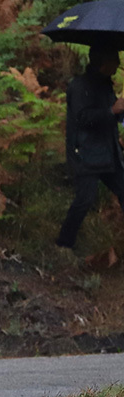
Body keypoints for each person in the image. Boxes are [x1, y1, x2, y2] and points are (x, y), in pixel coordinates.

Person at [57, 45, 124, 250]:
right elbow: (83, 119)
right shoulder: (79, 86)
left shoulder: (105, 85)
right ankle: (64, 244)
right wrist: (112, 111)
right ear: (103, 63)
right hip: (85, 154)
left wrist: (118, 112)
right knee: (84, 200)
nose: (119, 64)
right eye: (115, 60)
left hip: (108, 153)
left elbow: (113, 116)